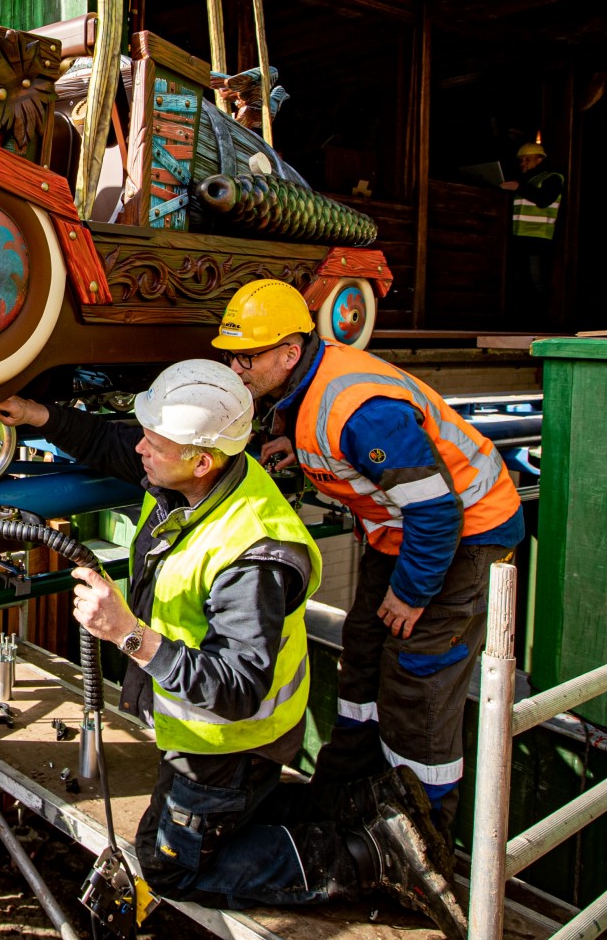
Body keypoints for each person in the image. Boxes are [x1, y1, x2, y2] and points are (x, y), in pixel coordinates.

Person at [0, 361, 466, 937]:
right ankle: (362, 807)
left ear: (200, 461)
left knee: (169, 865)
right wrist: (37, 414)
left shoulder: (251, 556)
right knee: (229, 816)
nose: (139, 449)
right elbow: (112, 444)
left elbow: (236, 688)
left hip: (229, 738)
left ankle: (369, 857)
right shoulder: (201, 472)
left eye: (153, 443)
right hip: (220, 733)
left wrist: (126, 634)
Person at [213, 279, 524, 838]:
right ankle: (346, 796)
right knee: (362, 651)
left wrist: (410, 594)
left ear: (289, 353)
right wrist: (301, 453)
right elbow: (345, 448)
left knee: (417, 681)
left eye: (247, 357)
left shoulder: (362, 411)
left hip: (464, 537)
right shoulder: (308, 385)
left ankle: (420, 835)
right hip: (403, 534)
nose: (236, 369)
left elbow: (437, 512)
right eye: (230, 355)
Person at [500, 139, 565, 323]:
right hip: (520, 238)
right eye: (521, 160)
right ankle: (521, 320)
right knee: (519, 282)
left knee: (537, 282)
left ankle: (540, 321)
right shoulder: (524, 181)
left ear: (539, 159)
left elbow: (544, 200)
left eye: (527, 159)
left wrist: (519, 187)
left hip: (539, 239)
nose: (523, 163)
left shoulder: (552, 178)